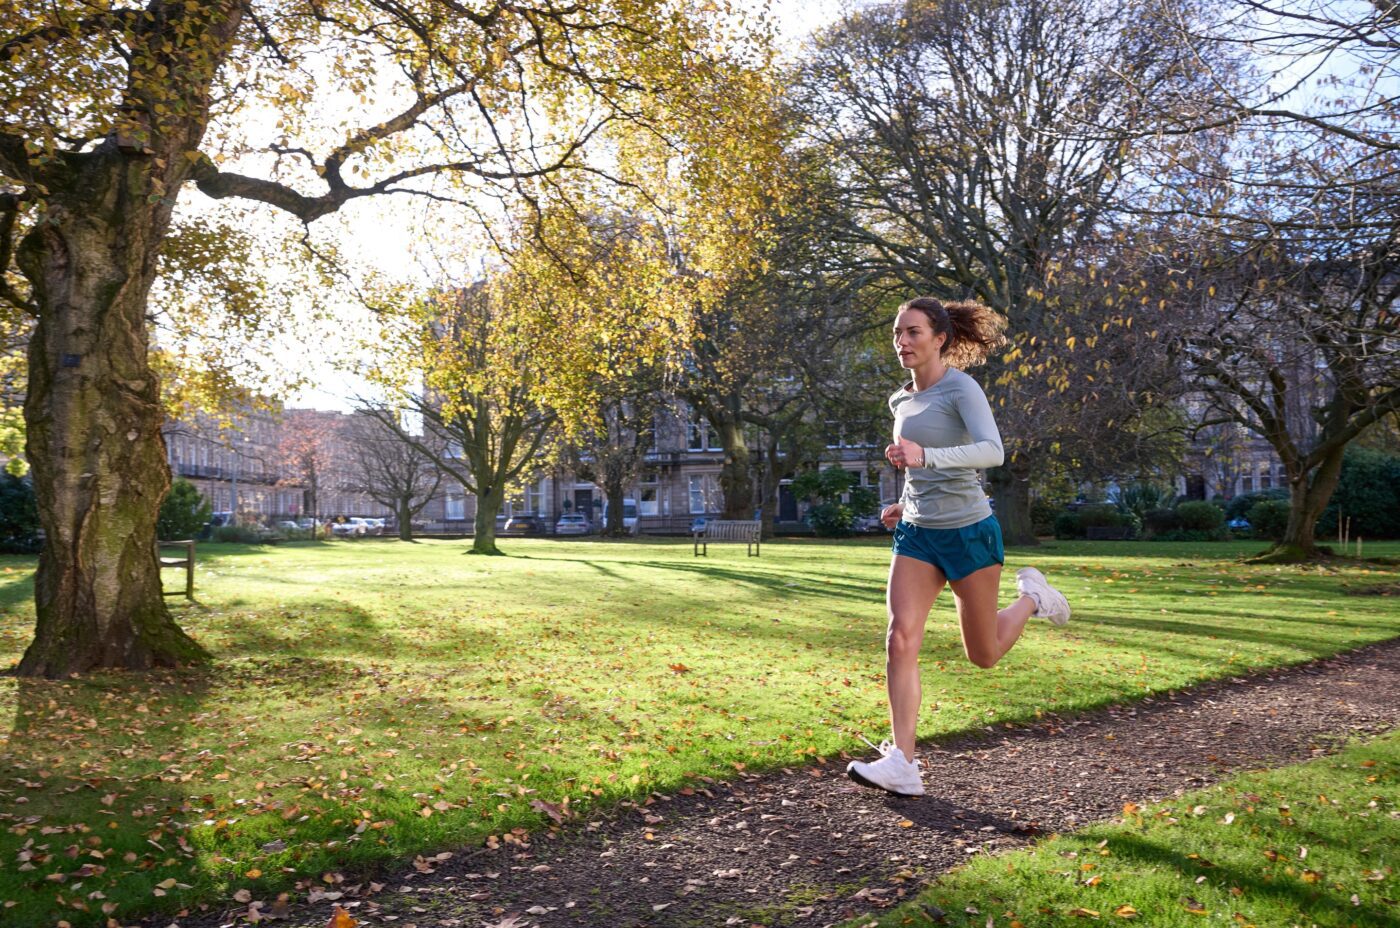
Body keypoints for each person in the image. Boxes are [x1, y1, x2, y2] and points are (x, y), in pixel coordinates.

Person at [846, 296, 1071, 797]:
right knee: (900, 637)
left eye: (913, 332)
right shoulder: (900, 400)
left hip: (969, 530)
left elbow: (991, 451)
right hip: (919, 534)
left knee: (983, 654)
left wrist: (925, 455)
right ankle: (903, 761)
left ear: (940, 339)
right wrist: (903, 502)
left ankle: (1033, 596)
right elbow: (919, 470)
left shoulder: (961, 388)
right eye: (898, 333)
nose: (902, 342)